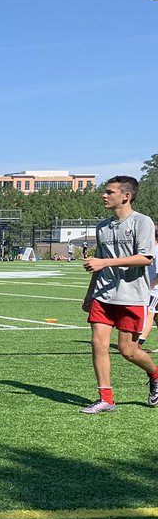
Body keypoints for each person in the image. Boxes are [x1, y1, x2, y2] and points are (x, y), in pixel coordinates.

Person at [79, 175, 158, 413]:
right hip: (103, 295)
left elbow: (145, 258)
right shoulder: (102, 226)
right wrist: (89, 294)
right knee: (98, 344)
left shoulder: (142, 222)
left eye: (110, 192)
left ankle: (155, 375)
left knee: (128, 351)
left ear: (126, 196)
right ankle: (106, 399)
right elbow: (98, 263)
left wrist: (105, 263)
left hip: (132, 295)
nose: (104, 195)